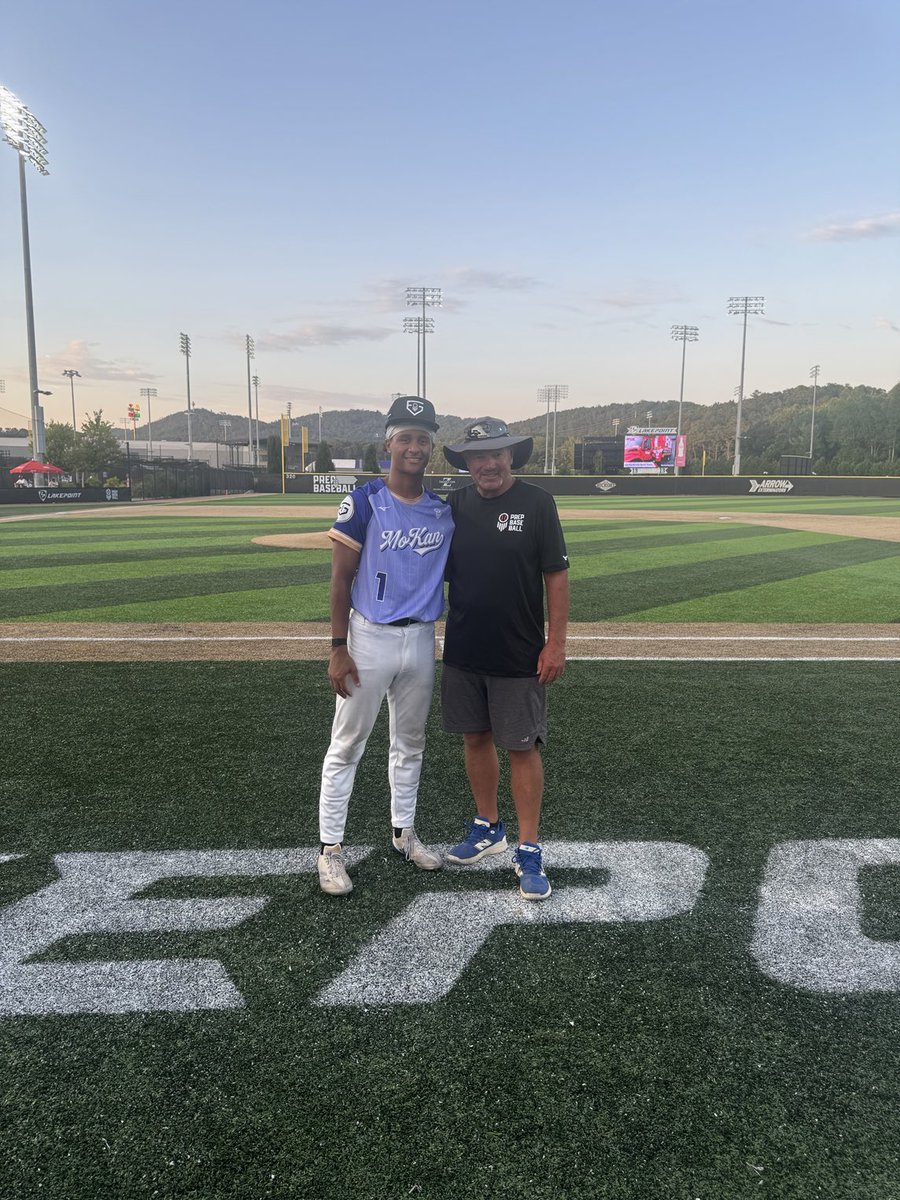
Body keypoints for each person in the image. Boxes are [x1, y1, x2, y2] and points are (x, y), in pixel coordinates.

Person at [316, 395, 453, 896]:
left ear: (430, 448)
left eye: (422, 439)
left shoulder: (441, 510)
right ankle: (330, 851)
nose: (414, 447)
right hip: (369, 637)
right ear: (388, 445)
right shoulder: (364, 500)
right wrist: (337, 645)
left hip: (420, 639)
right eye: (406, 439)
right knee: (347, 744)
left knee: (410, 743)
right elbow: (339, 580)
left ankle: (404, 833)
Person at [440, 418, 569, 900]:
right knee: (475, 737)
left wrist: (555, 643)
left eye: (496, 454)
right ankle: (488, 828)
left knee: (521, 746)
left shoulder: (537, 503)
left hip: (519, 652)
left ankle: (530, 849)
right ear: (468, 464)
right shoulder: (455, 504)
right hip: (464, 648)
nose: (487, 463)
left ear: (511, 457)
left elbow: (555, 575)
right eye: (478, 456)